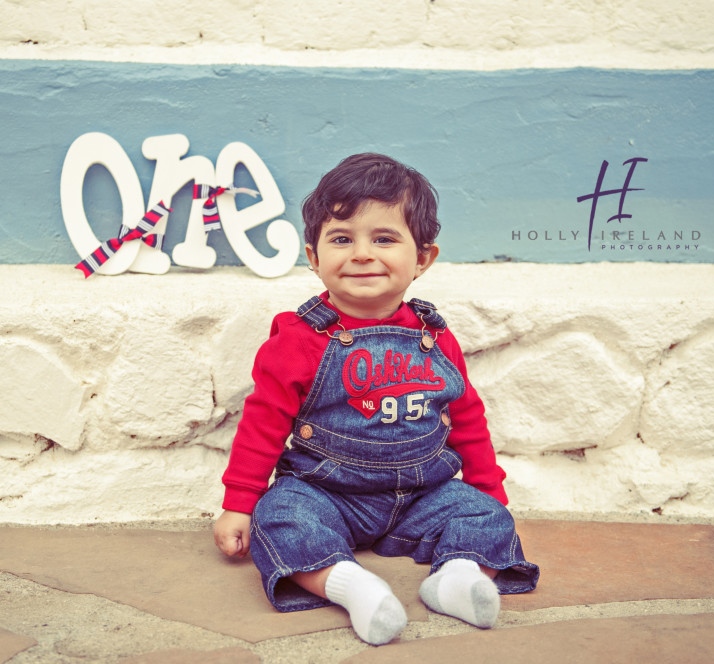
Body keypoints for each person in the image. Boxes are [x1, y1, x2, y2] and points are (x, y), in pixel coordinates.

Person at [212, 153, 539, 646]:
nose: (362, 253)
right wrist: (239, 502)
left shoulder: (434, 338)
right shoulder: (300, 338)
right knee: (279, 517)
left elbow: (467, 418)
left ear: (423, 258)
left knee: (489, 516)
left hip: (422, 495)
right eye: (342, 239)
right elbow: (262, 423)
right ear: (315, 257)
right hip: (325, 491)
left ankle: (457, 580)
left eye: (384, 239)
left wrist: (485, 489)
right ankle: (351, 586)